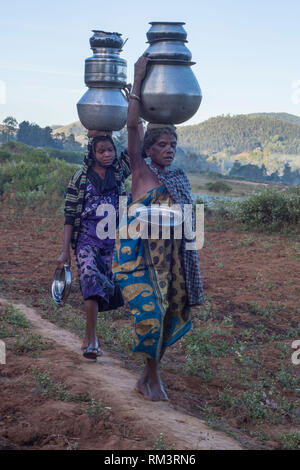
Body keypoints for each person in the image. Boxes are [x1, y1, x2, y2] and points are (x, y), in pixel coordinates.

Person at [112, 55, 204, 400]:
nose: (169, 150)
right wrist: (138, 79)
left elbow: (186, 225)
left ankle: (149, 376)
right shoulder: (141, 173)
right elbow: (132, 127)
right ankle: (151, 379)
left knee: (168, 318)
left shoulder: (178, 179)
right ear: (148, 150)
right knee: (151, 314)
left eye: (173, 145)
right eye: (162, 145)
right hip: (139, 260)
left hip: (171, 261)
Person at [57, 131, 132, 360]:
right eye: (101, 151)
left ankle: (91, 337)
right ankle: (91, 339)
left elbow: (136, 145)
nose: (107, 154)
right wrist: (64, 251)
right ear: (92, 152)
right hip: (86, 239)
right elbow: (70, 215)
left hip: (111, 241)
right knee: (89, 279)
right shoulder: (80, 177)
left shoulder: (118, 172)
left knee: (103, 286)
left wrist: (136, 104)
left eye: (110, 150)